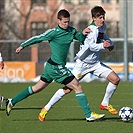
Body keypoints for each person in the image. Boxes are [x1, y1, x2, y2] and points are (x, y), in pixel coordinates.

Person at [4, 9, 105, 122]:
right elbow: (37, 38)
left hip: (51, 66)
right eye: (64, 22)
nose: (66, 24)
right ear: (59, 20)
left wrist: (83, 33)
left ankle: (11, 101)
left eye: (68, 22)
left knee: (36, 88)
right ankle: (89, 115)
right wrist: (23, 45)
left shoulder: (71, 30)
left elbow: (80, 39)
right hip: (56, 66)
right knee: (77, 86)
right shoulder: (53, 32)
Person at [38, 6, 120, 122]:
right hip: (82, 64)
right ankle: (46, 108)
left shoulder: (102, 26)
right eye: (100, 18)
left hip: (95, 63)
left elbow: (104, 37)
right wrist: (103, 46)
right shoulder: (91, 30)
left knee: (115, 79)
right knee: (68, 89)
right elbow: (92, 46)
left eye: (103, 17)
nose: (103, 20)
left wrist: (110, 43)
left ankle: (105, 103)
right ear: (93, 18)